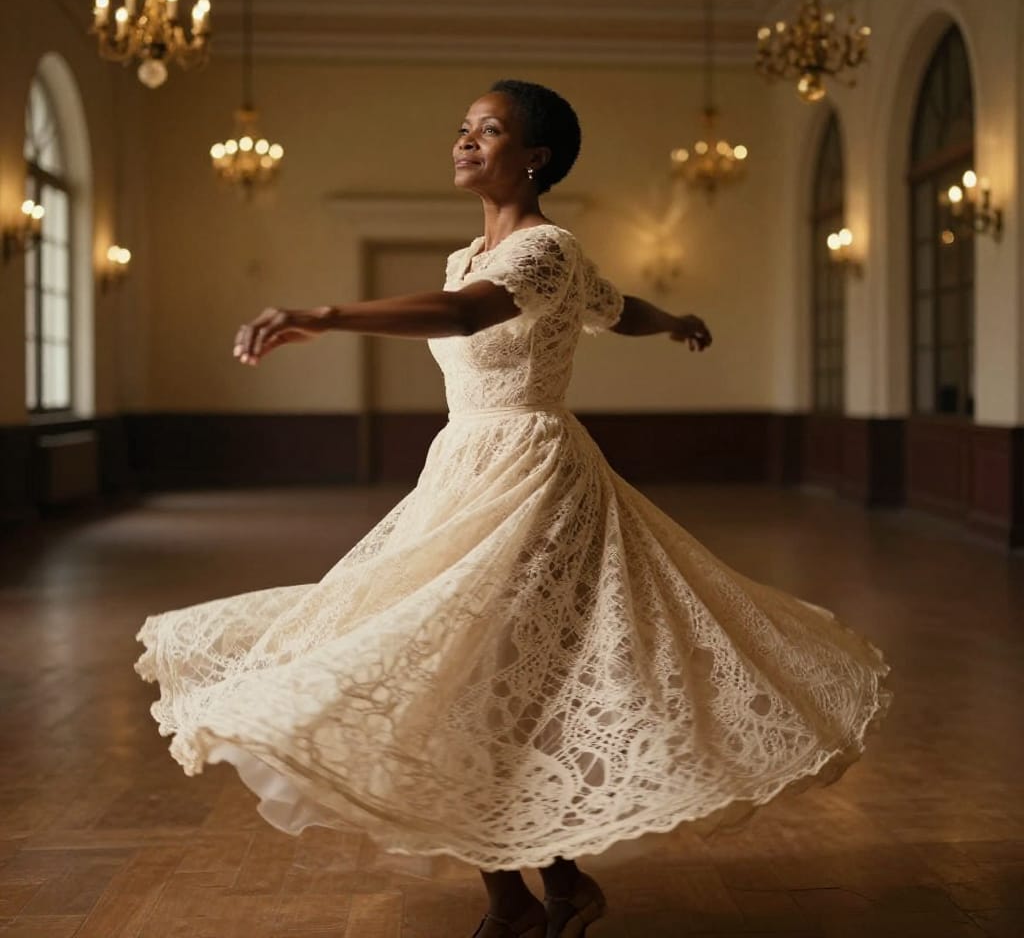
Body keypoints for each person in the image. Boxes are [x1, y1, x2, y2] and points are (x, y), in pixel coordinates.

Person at [136, 80, 891, 938]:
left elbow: (470, 316)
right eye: (461, 128)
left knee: (485, 680)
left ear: (535, 156)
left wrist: (323, 313)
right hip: (463, 470)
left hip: (539, 479)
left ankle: (518, 904)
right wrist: (670, 315)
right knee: (479, 679)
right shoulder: (469, 254)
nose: (463, 142)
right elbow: (615, 307)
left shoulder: (549, 249)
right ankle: (544, 894)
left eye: (487, 131)